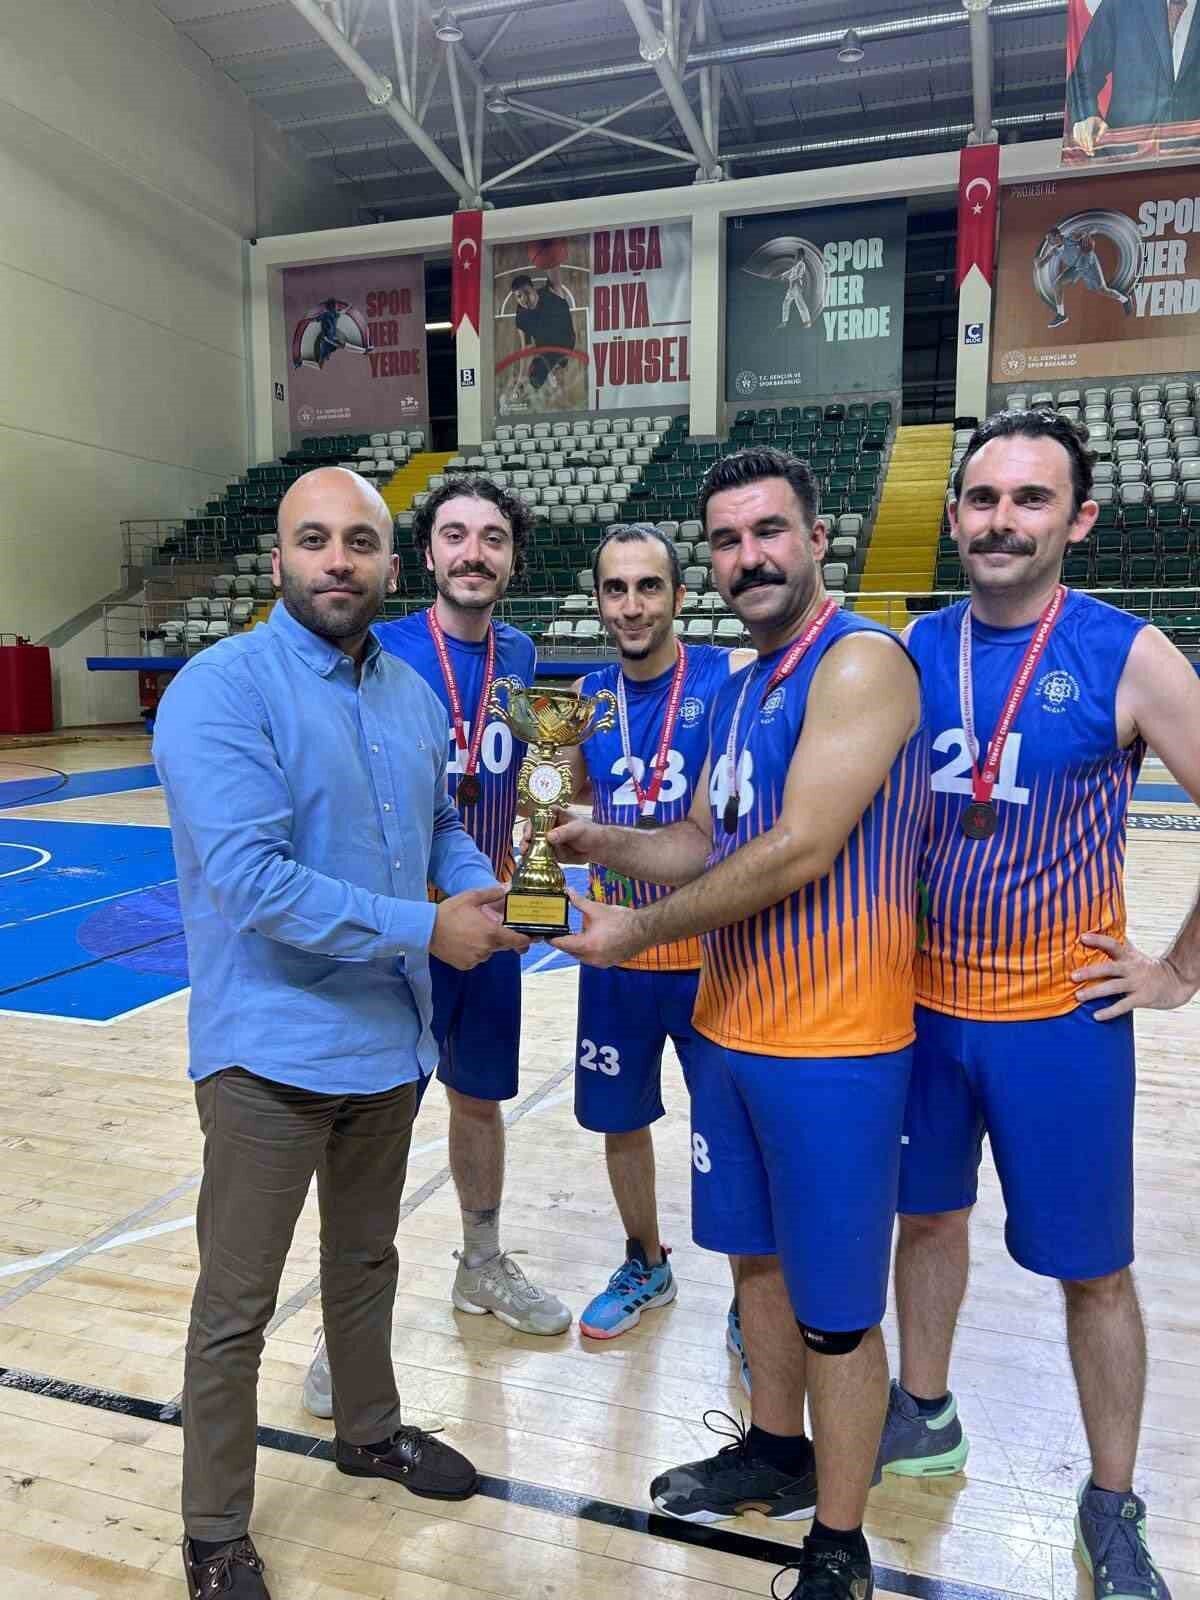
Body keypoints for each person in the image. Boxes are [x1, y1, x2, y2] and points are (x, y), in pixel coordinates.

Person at [550, 448, 928, 1600]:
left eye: (768, 530)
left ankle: (840, 1543)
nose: (748, 555)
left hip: (836, 1047)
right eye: (726, 538)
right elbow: (700, 842)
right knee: (754, 1264)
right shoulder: (742, 688)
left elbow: (800, 846)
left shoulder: (860, 661)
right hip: (733, 1030)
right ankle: (773, 1447)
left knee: (837, 1311)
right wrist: (599, 840)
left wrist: (634, 931)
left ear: (818, 539)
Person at [154, 467, 529, 1600]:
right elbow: (254, 881)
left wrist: (485, 886)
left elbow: (441, 821)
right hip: (268, 1054)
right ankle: (215, 1529)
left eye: (358, 542)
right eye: (313, 540)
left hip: (385, 1045)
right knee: (237, 1307)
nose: (336, 561)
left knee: (366, 1261)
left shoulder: (410, 695)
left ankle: (368, 1430)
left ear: (389, 566)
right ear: (278, 560)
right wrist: (428, 926)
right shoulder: (221, 690)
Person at [879, 409, 1200, 1600]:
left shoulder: (1129, 653)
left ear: (1080, 518)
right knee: (925, 1223)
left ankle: (1111, 1502)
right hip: (920, 1012)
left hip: (1061, 1025)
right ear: (954, 512)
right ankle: (924, 1411)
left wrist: (1177, 972)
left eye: (1030, 499)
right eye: (984, 497)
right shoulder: (912, 648)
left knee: (1095, 1273)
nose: (1002, 519)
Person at [301, 477, 570, 1425]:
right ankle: (341, 1327)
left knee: (480, 1100)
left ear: (512, 559)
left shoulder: (521, 656)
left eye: (492, 537)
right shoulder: (381, 650)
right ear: (426, 556)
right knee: (374, 1126)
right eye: (455, 535)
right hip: (401, 935)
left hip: (489, 918)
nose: (473, 553)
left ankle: (481, 1263)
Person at [558, 522, 754, 1344]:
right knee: (619, 1121)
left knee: (733, 1135)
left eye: (648, 587)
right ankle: (646, 1262)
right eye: (616, 588)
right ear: (599, 600)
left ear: (679, 594)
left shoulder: (730, 676)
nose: (632, 605)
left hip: (714, 955)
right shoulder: (584, 700)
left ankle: (753, 1302)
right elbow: (564, 796)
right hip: (616, 954)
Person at [1068, 0, 1200, 154]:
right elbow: (1082, 77)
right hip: (1124, 155)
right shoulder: (1121, 4)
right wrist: (1086, 116)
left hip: (1193, 154)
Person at [1034, 227, 1132, 330]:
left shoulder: (1071, 237)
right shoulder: (1054, 251)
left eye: (1050, 238)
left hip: (1088, 262)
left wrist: (1086, 235)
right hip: (1076, 267)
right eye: (1047, 240)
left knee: (1102, 290)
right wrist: (1037, 263)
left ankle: (1125, 299)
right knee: (1057, 284)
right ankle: (1061, 315)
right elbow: (1041, 264)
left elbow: (1093, 229)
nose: (1049, 242)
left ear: (1057, 236)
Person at [506, 270, 577, 407]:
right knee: (534, 380)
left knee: (561, 365)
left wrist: (549, 261)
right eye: (519, 296)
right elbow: (525, 348)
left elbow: (554, 273)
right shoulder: (521, 316)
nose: (523, 299)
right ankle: (549, 372)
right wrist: (520, 379)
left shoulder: (550, 293)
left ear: (533, 289)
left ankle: (557, 368)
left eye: (526, 293)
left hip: (565, 342)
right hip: (545, 349)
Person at [781, 256, 812, 329]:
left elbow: (798, 275)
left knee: (800, 303)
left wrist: (789, 277)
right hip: (791, 286)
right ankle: (784, 321)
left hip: (796, 285)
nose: (796, 257)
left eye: (798, 256)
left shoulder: (801, 264)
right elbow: (789, 272)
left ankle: (807, 321)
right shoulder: (794, 265)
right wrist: (783, 275)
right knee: (786, 302)